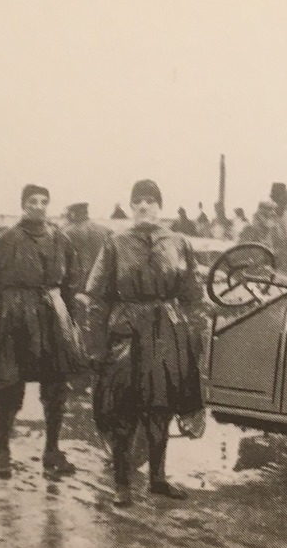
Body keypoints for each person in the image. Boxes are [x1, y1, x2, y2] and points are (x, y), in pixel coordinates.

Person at [86, 179, 205, 507]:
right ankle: (122, 483)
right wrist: (96, 347)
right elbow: (98, 298)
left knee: (160, 409)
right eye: (138, 201)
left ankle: (158, 478)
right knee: (124, 410)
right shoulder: (115, 243)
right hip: (128, 333)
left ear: (160, 206)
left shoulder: (178, 242)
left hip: (167, 333)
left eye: (150, 201)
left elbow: (193, 295)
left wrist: (195, 337)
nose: (143, 206)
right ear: (131, 206)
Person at [0, 184, 87, 479]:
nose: (38, 206)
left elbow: (73, 283)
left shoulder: (61, 241)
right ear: (23, 205)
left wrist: (70, 320)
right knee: (9, 384)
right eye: (32, 201)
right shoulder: (4, 242)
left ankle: (51, 452)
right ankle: (2, 452)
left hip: (51, 315)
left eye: (43, 201)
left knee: (56, 388)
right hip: (14, 317)